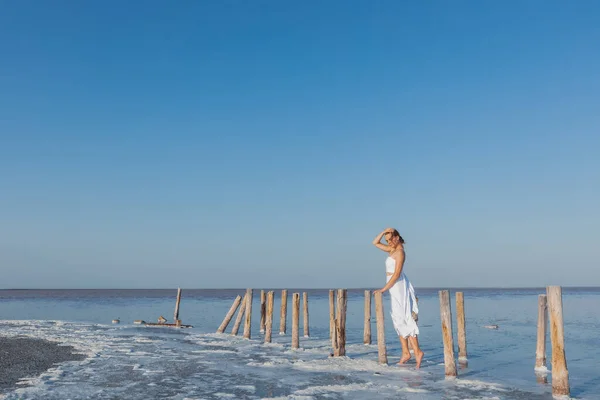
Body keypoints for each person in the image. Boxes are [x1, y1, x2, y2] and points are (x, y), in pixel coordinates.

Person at [373, 228, 424, 368]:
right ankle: (406, 352)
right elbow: (375, 243)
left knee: (405, 316)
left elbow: (396, 274)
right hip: (393, 286)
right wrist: (384, 231)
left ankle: (417, 352)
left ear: (396, 238)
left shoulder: (400, 252)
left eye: (390, 239)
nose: (388, 242)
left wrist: (383, 289)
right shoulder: (392, 250)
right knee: (397, 318)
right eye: (387, 240)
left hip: (398, 285)